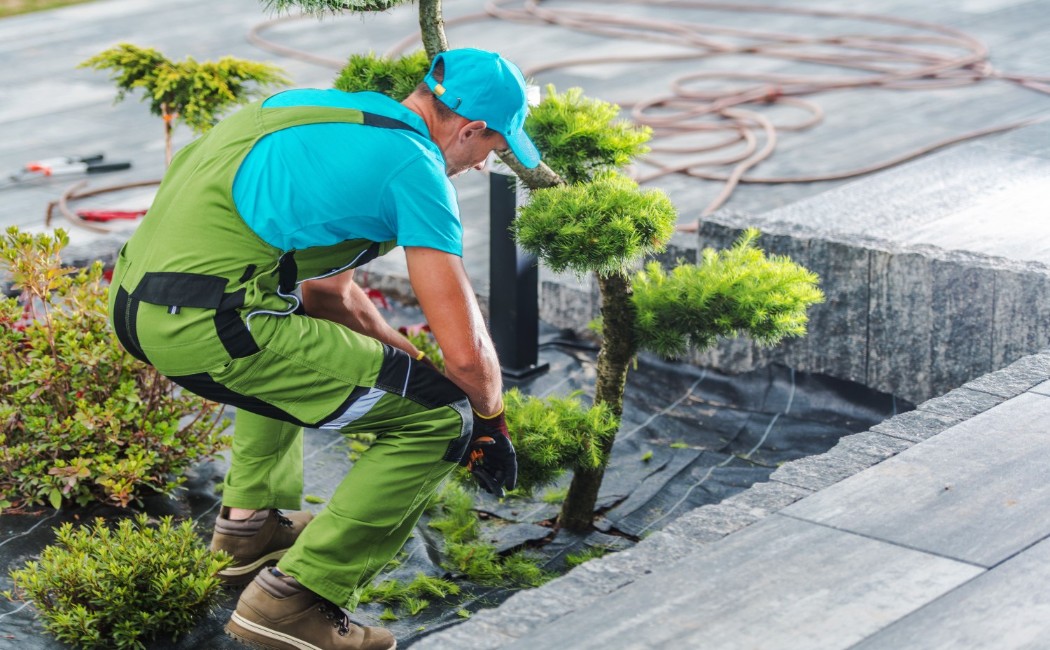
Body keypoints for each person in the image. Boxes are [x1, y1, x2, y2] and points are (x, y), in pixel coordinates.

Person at [107, 47, 540, 650]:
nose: (484, 162)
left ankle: (250, 531)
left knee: (289, 322)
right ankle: (293, 603)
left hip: (136, 304)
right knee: (443, 419)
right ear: (470, 129)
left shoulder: (311, 108)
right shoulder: (413, 169)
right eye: (492, 146)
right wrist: (488, 420)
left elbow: (327, 295)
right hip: (208, 327)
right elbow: (466, 356)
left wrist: (410, 363)